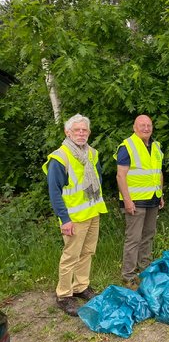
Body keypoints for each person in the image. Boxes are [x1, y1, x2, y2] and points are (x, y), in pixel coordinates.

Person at [43, 114, 107, 316]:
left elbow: (98, 180)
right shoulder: (60, 157)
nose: (81, 133)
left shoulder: (91, 154)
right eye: (77, 130)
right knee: (70, 256)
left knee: (87, 252)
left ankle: (81, 286)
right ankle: (63, 295)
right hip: (73, 218)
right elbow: (54, 192)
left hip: (92, 212)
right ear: (67, 132)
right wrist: (65, 219)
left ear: (88, 132)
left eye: (84, 130)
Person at [116, 115, 164, 290]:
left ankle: (145, 269)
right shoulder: (127, 146)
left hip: (152, 198)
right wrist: (127, 200)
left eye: (149, 125)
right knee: (133, 238)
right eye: (142, 125)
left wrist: (160, 194)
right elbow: (120, 175)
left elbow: (158, 172)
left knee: (148, 235)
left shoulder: (156, 146)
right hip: (135, 201)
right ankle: (128, 275)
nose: (146, 128)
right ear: (134, 128)